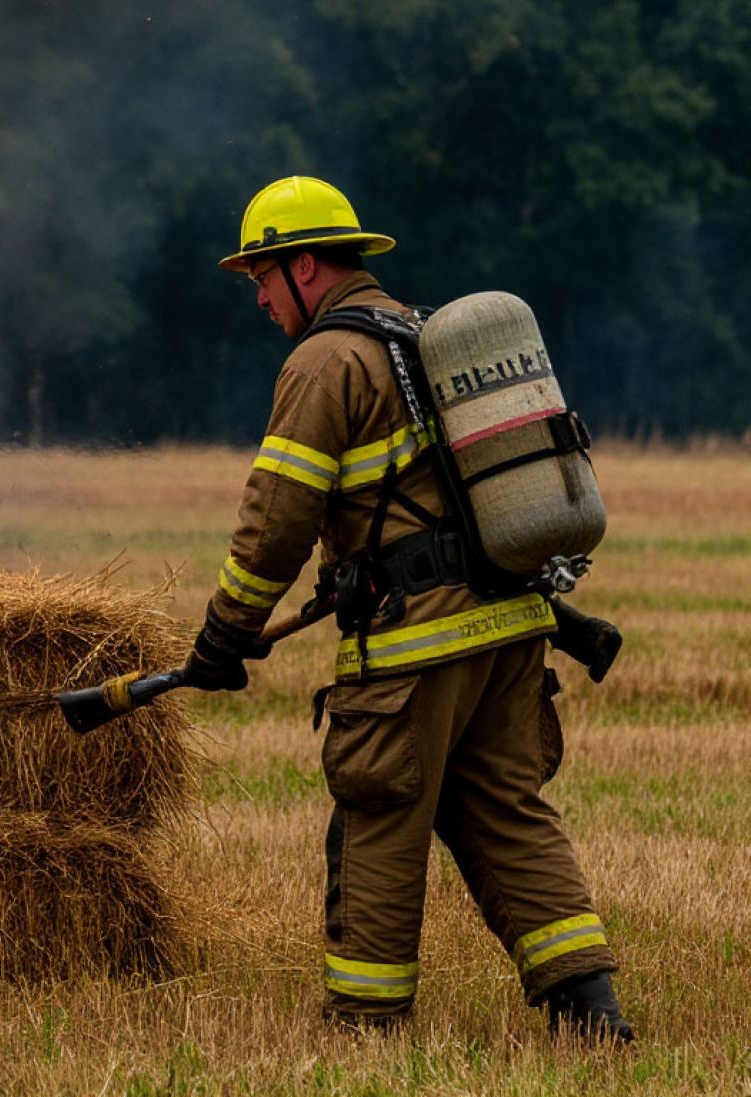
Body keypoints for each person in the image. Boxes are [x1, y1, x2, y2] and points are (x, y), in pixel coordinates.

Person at [186, 176, 633, 1040]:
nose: (259, 299)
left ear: (303, 266)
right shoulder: (422, 335)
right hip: (509, 629)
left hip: (414, 648)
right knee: (507, 814)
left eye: (261, 279)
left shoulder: (326, 362)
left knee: (379, 818)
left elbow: (277, 519)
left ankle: (366, 1023)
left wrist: (225, 631)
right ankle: (591, 1010)